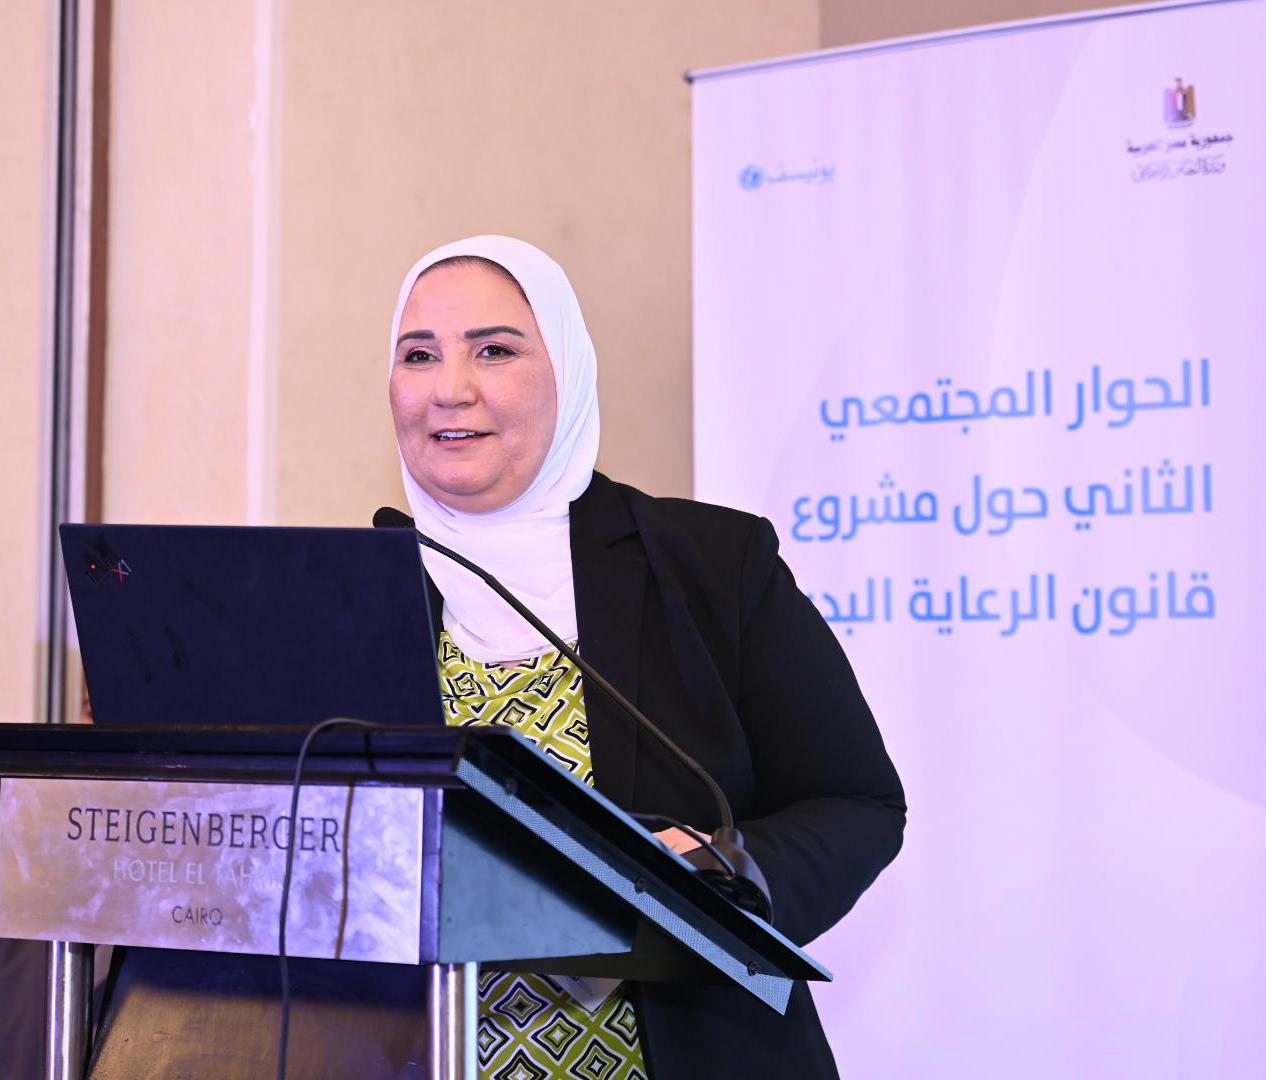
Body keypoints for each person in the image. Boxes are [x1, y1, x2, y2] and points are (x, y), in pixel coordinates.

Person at [388, 235, 905, 1080]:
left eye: (494, 350)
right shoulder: (354, 593)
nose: (450, 388)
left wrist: (718, 870)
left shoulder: (709, 565)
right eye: (419, 354)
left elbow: (857, 803)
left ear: (567, 372)